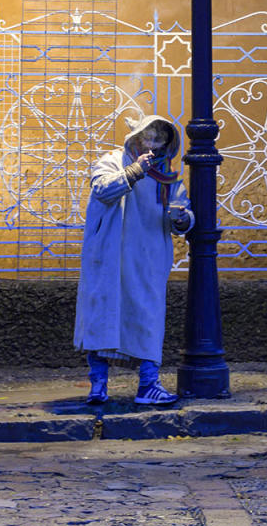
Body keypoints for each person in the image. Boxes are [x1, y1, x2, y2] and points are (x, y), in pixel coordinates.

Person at [74, 113, 193, 406]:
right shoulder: (113, 161)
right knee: (103, 315)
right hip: (110, 255)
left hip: (148, 259)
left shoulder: (168, 177)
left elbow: (184, 215)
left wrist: (181, 218)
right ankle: (98, 385)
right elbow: (102, 189)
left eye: (158, 140)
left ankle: (148, 385)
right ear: (136, 138)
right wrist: (133, 172)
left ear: (167, 143)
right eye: (147, 138)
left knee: (148, 318)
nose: (152, 145)